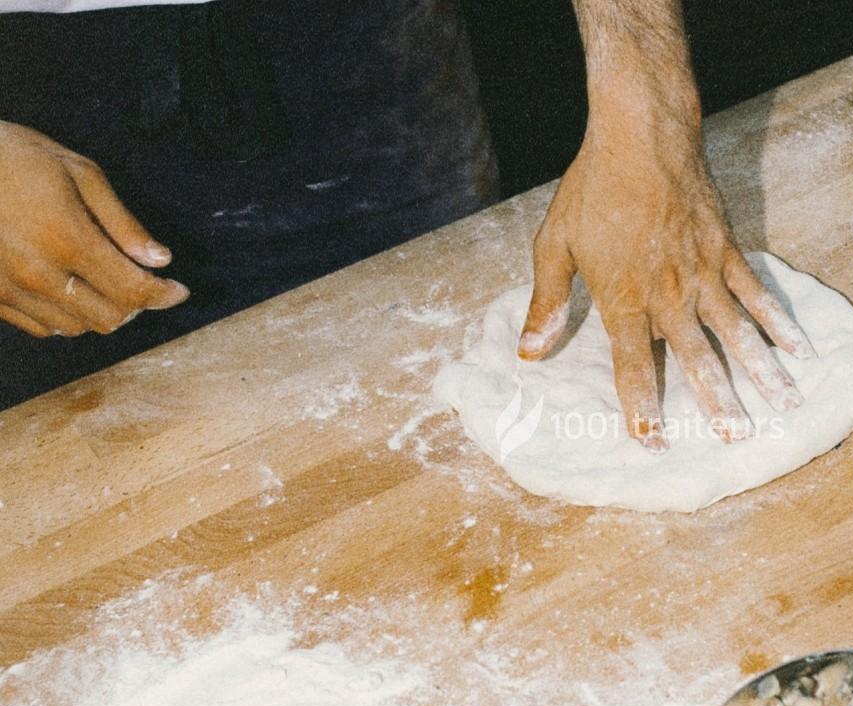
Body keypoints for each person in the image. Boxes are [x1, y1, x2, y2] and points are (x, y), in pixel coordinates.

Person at [0, 0, 812, 450]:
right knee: (122, 483)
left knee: (443, 420)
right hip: (36, 111)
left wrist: (653, 105)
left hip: (368, 51)